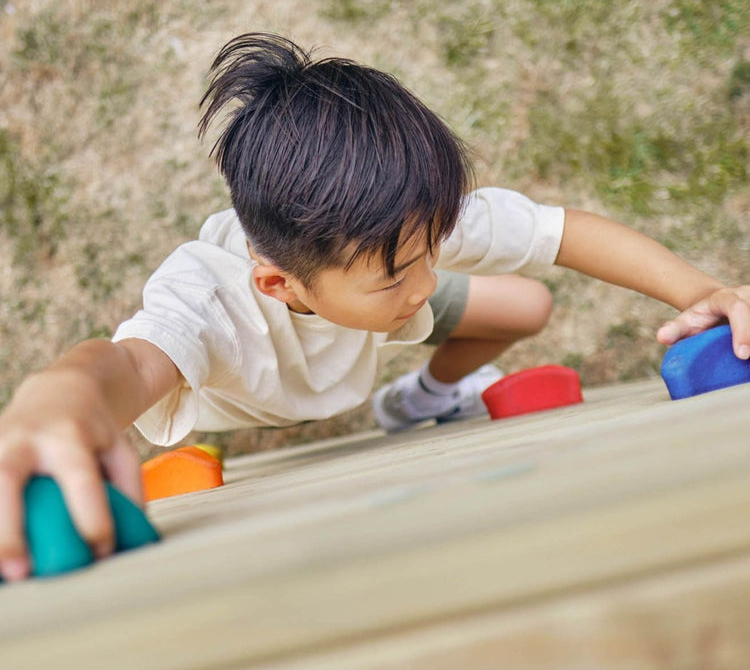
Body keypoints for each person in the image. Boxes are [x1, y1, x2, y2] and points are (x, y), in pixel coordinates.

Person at [0, 32, 748, 582]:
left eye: (430, 253)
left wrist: (699, 291)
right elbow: (126, 362)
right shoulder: (208, 304)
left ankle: (419, 397)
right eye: (397, 275)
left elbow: (564, 232)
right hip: (243, 396)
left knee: (526, 303)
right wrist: (60, 394)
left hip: (360, 326)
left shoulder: (400, 229)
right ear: (279, 286)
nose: (423, 283)